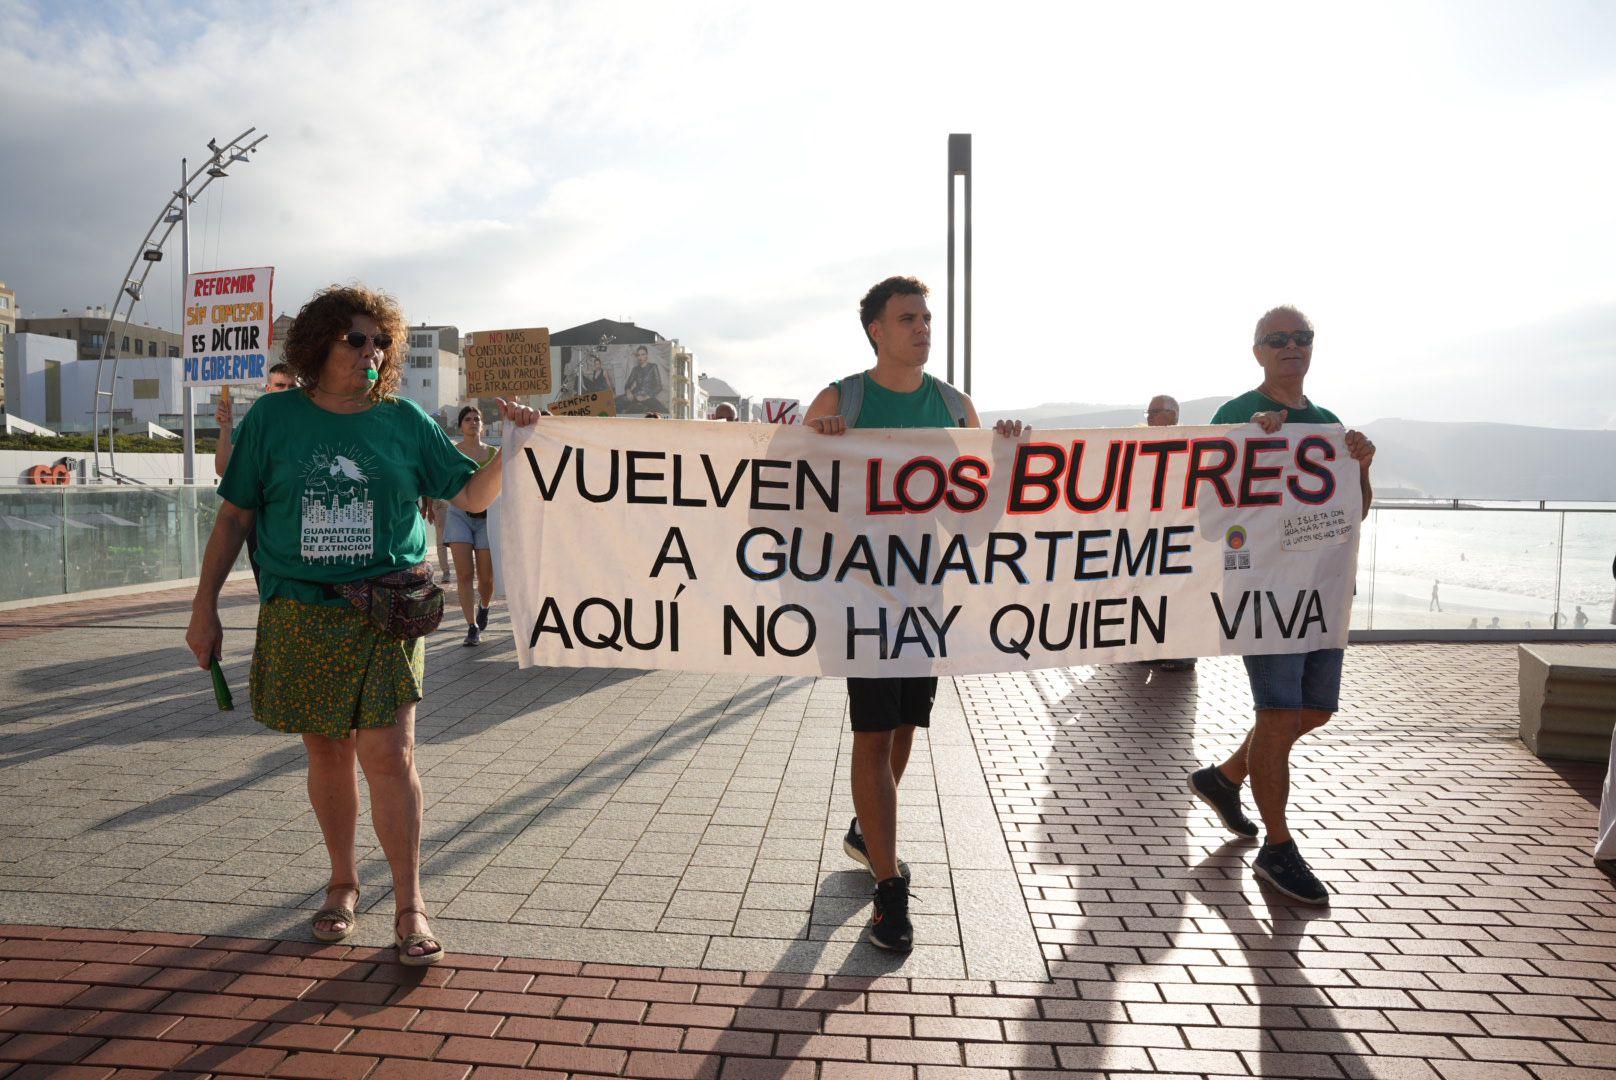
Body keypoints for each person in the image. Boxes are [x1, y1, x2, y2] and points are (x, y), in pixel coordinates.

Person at [185, 284, 539, 967]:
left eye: (381, 340)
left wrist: (511, 451)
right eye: (357, 339)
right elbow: (235, 517)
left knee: (389, 754)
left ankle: (410, 903)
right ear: (320, 345)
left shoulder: (402, 419)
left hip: (386, 610)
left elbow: (467, 492)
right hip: (302, 610)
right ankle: (343, 882)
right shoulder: (273, 420)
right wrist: (202, 608)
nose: (371, 351)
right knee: (327, 753)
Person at [803, 275, 1024, 953]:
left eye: (926, 318)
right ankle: (888, 888)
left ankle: (869, 831)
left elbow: (979, 519)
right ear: (876, 329)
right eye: (908, 319)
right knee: (872, 732)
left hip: (925, 589)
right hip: (861, 593)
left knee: (904, 725)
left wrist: (1007, 462)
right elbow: (787, 502)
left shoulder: (957, 409)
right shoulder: (841, 400)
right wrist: (822, 445)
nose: (923, 328)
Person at [1187, 305, 1375, 907]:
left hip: (1320, 594)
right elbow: (1207, 513)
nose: (1291, 346)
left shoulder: (1326, 423)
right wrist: (1246, 447)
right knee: (1277, 715)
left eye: (1302, 338)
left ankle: (1224, 779)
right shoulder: (1236, 416)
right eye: (1278, 339)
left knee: (1312, 711)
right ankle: (1278, 846)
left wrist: (1362, 468)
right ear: (1258, 351)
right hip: (1263, 593)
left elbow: (1356, 511)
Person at [214, 363, 297, 586]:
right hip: (261, 524)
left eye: (292, 386)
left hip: (296, 524)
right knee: (267, 589)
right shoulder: (256, 422)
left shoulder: (311, 422)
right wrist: (225, 428)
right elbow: (224, 469)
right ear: (268, 390)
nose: (286, 391)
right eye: (280, 385)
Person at [1139, 396, 1194, 672]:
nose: (1149, 417)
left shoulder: (1190, 444)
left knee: (1179, 594)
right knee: (1147, 591)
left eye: (1156, 412)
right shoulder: (1138, 444)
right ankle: (1147, 647)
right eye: (1148, 411)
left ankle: (1183, 652)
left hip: (1180, 532)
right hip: (1146, 532)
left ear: (1173, 416)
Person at [441, 405, 498, 647]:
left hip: (487, 519)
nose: (472, 422)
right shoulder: (453, 452)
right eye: (467, 419)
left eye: (476, 418)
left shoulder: (493, 453)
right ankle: (472, 626)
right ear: (461, 426)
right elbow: (441, 478)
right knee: (465, 574)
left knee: (486, 578)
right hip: (458, 516)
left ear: (482, 425)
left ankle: (484, 606)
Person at [617, 345, 666, 414]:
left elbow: (659, 386)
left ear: (646, 355)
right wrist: (628, 392)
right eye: (638, 355)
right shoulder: (635, 369)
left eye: (643, 354)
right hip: (634, 395)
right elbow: (628, 384)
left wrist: (646, 397)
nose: (640, 357)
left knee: (663, 412)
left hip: (648, 396)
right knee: (616, 402)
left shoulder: (653, 367)